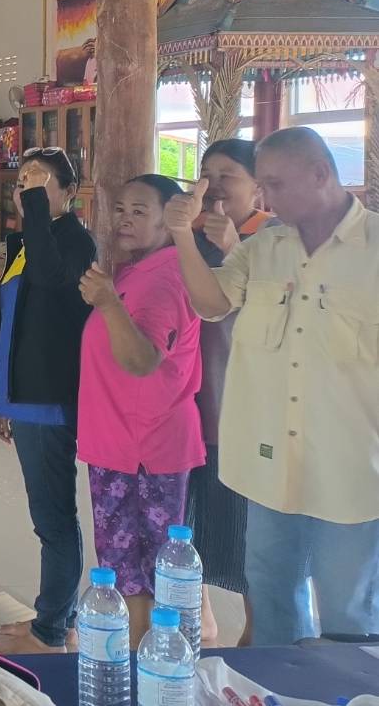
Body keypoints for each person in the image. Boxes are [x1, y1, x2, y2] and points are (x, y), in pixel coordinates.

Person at [166, 127, 379, 646]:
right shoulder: (264, 248)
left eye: (276, 184)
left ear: (320, 174)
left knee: (349, 615)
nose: (265, 197)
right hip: (271, 468)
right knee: (271, 598)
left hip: (352, 471)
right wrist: (180, 235)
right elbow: (211, 303)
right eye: (262, 184)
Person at [0, 148, 96, 653]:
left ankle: (51, 630)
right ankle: (56, 616)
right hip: (23, 396)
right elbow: (13, 325)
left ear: (69, 192)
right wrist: (2, 399)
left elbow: (51, 282)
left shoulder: (73, 240)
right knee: (48, 515)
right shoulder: (28, 242)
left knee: (54, 518)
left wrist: (38, 215)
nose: (27, 186)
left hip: (49, 399)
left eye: (41, 179)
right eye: (22, 177)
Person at [77, 174, 203, 646]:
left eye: (139, 211)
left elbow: (142, 360)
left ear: (170, 222)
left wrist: (109, 304)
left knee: (144, 574)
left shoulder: (165, 278)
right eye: (120, 209)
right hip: (119, 442)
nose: (124, 219)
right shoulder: (138, 269)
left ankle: (144, 663)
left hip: (145, 449)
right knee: (124, 568)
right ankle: (139, 659)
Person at [185, 138, 271, 646]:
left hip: (244, 410)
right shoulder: (186, 237)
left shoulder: (273, 238)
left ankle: (258, 630)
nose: (214, 186)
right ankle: (200, 619)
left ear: (258, 188)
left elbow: (274, 311)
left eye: (228, 175)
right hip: (188, 407)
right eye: (207, 174)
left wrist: (233, 248)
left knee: (248, 532)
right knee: (187, 523)